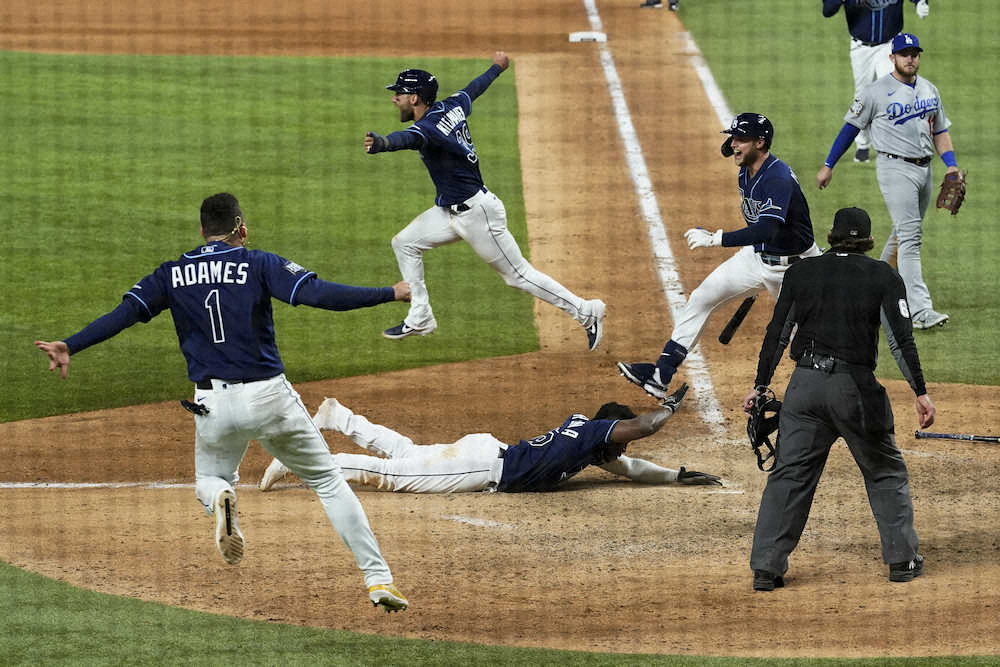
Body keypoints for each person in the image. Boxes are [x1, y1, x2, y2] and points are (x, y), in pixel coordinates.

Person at [34, 193, 412, 612]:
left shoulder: (172, 273)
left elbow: (124, 314)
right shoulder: (258, 262)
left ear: (201, 231)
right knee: (326, 482)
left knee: (210, 479)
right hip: (269, 397)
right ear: (242, 229)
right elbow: (319, 294)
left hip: (211, 403)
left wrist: (71, 345)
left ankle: (220, 499)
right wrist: (389, 292)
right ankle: (379, 581)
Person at [743, 206, 935, 591]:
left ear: (831, 237)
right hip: (854, 390)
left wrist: (760, 385)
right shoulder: (883, 275)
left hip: (805, 387)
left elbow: (777, 333)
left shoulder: (802, 272)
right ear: (867, 240)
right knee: (884, 470)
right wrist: (920, 392)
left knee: (790, 475)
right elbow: (901, 340)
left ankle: (766, 568)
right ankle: (902, 560)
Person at [364, 51, 606, 350]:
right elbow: (473, 89)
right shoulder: (451, 106)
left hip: (478, 215)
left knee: (519, 275)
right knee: (405, 243)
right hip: (450, 212)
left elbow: (408, 139)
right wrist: (497, 67)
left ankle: (586, 312)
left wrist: (384, 143)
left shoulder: (426, 129)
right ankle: (420, 316)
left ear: (414, 99)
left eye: (399, 94)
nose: (394, 99)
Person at [618, 112, 821, 399]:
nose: (733, 144)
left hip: (795, 269)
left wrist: (718, 239)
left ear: (760, 143)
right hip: (758, 257)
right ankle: (660, 374)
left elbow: (766, 229)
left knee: (810, 337)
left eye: (740, 139)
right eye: (733, 137)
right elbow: (760, 232)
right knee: (703, 297)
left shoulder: (777, 178)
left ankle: (828, 392)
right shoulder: (745, 169)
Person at [258, 384, 723, 494]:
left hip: (487, 450)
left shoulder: (588, 440)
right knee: (396, 476)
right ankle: (302, 460)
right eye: (618, 442)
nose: (621, 450)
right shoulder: (598, 434)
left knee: (409, 454)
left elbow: (631, 468)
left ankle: (340, 416)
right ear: (611, 430)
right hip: (486, 467)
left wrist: (677, 476)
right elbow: (641, 429)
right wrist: (669, 409)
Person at [817, 33, 958, 330]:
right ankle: (920, 312)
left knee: (902, 234)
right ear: (892, 57)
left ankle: (869, 291)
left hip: (925, 170)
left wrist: (951, 165)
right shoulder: (874, 92)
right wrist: (829, 165)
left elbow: (940, 131)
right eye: (904, 54)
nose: (910, 58)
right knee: (910, 237)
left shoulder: (930, 90)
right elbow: (849, 129)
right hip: (895, 170)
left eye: (914, 54)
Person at [822, 0, 929, 163]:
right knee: (862, 98)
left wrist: (921, 2)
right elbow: (827, 10)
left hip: (891, 46)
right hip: (861, 49)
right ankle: (863, 144)